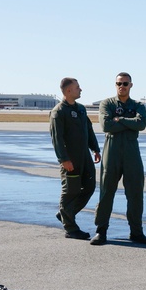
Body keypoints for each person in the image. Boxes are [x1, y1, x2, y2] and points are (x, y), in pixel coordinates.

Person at [92, 72, 146, 245]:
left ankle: (136, 232)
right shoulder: (107, 104)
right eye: (119, 83)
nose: (122, 86)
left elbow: (141, 124)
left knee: (135, 193)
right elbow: (106, 125)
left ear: (131, 85)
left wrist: (121, 119)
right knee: (106, 192)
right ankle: (101, 231)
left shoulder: (138, 105)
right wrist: (128, 122)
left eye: (125, 83)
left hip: (132, 151)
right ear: (115, 84)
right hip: (112, 150)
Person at [50, 77, 100, 240]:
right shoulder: (59, 112)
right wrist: (63, 159)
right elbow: (57, 138)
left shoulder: (80, 109)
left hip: (84, 157)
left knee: (90, 186)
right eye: (77, 87)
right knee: (70, 192)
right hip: (70, 159)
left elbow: (89, 129)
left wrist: (95, 148)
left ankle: (66, 214)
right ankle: (70, 228)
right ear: (68, 91)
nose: (81, 89)